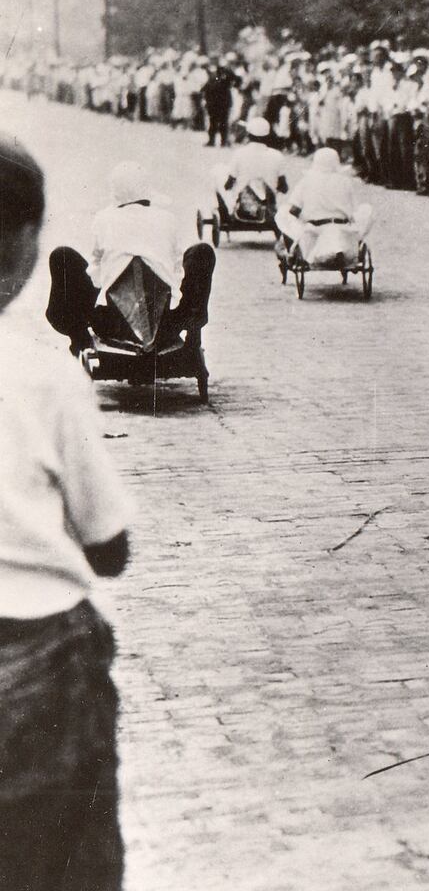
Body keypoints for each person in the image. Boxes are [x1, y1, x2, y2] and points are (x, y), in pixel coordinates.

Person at [0, 134, 134, 891]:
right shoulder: (42, 376)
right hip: (35, 658)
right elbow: (108, 543)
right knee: (64, 859)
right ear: (22, 245)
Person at [46, 161, 211, 355]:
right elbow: (177, 272)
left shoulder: (103, 219)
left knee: (62, 256)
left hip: (114, 324)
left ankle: (79, 337)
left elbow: (96, 275)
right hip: (166, 323)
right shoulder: (167, 219)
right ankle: (193, 334)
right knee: (202, 252)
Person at [275, 148, 375, 266]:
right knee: (366, 209)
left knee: (283, 212)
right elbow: (354, 209)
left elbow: (294, 210)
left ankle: (292, 250)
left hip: (315, 231)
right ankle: (346, 249)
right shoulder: (345, 181)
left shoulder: (306, 181)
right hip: (342, 229)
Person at [216, 118, 291, 215]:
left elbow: (229, 183)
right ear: (267, 136)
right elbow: (284, 188)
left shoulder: (239, 153)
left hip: (242, 205)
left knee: (218, 172)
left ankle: (226, 213)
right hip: (268, 206)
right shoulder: (278, 155)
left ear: (248, 135)